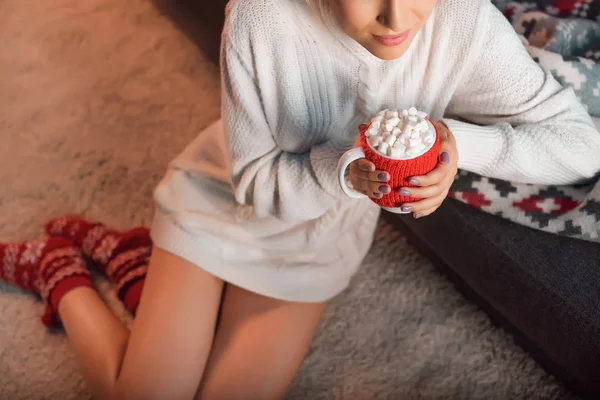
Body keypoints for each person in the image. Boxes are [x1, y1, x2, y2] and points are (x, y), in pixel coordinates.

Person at [1, 0, 599, 398]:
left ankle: (134, 266)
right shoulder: (262, 17)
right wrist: (344, 174)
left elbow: (582, 145)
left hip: (316, 243)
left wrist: (456, 143)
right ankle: (62, 275)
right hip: (225, 202)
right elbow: (256, 184)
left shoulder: (464, 23)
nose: (397, 17)